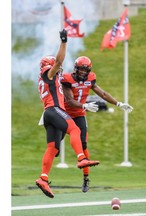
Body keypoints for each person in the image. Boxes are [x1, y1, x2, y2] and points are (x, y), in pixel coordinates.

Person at [36, 29, 100, 198]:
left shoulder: (45, 79)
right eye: (55, 67)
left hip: (48, 114)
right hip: (54, 109)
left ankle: (43, 178)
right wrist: (64, 42)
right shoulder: (48, 74)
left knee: (52, 148)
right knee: (75, 130)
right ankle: (81, 158)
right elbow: (58, 62)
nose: (59, 69)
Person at [61, 56, 133, 192]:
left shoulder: (90, 79)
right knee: (55, 147)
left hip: (79, 115)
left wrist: (119, 103)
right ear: (76, 69)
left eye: (85, 70)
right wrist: (85, 105)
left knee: (83, 145)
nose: (83, 72)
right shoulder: (67, 80)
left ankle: (86, 178)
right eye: (81, 69)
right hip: (64, 114)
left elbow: (103, 94)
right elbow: (70, 100)